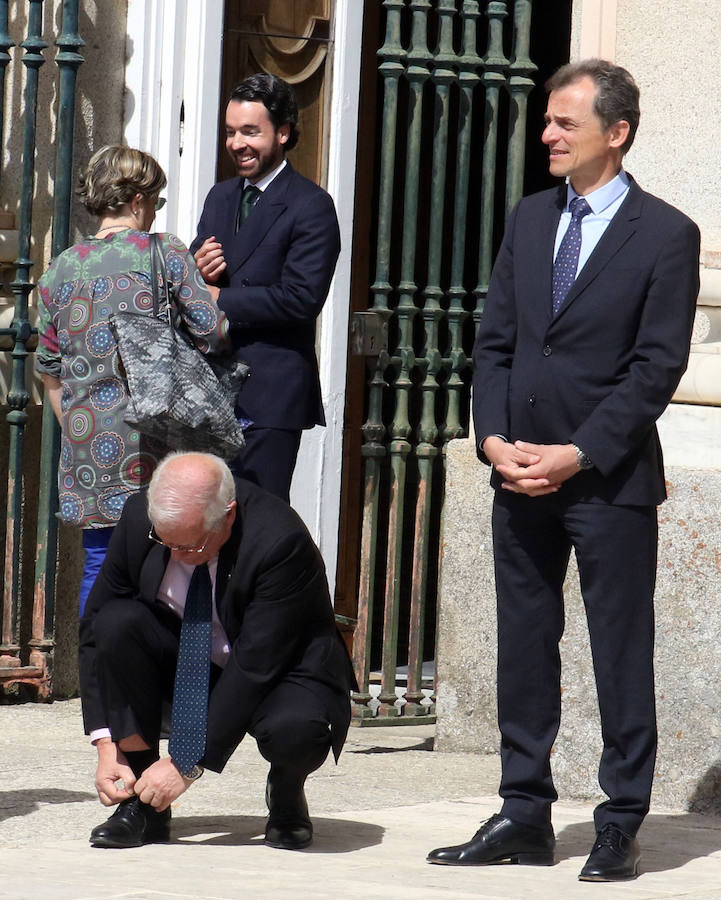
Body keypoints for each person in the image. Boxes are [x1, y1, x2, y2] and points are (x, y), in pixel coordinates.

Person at [427, 60, 700, 882]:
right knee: (522, 646)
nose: (545, 134)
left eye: (562, 123)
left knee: (619, 647)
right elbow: (498, 343)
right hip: (517, 473)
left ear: (614, 134)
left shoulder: (667, 235)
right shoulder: (529, 217)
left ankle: (619, 820)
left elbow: (655, 369)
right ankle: (523, 812)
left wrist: (577, 451)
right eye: (546, 121)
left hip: (606, 479)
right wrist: (491, 439)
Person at [79, 451, 354, 850]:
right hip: (186, 656)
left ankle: (286, 789)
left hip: (279, 671)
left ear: (227, 515)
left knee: (297, 729)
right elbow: (95, 626)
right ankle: (143, 800)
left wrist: (186, 764)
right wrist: (107, 742)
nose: (174, 555)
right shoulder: (142, 516)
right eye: (163, 541)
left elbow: (255, 665)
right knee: (117, 624)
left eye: (189, 545)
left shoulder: (280, 541)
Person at [35, 146, 230, 614]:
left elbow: (49, 371)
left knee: (101, 563)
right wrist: (215, 293)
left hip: (87, 444)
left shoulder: (59, 270)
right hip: (153, 443)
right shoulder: (165, 251)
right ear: (139, 199)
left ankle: (98, 679)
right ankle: (156, 682)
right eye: (156, 201)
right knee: (171, 558)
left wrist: (79, 428)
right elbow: (214, 333)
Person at [189, 73, 341, 503]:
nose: (238, 143)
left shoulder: (311, 205)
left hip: (269, 391)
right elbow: (194, 282)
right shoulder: (219, 197)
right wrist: (196, 274)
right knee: (203, 523)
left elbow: (302, 298)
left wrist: (220, 298)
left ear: (284, 133)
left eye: (251, 132)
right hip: (210, 390)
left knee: (258, 522)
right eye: (231, 132)